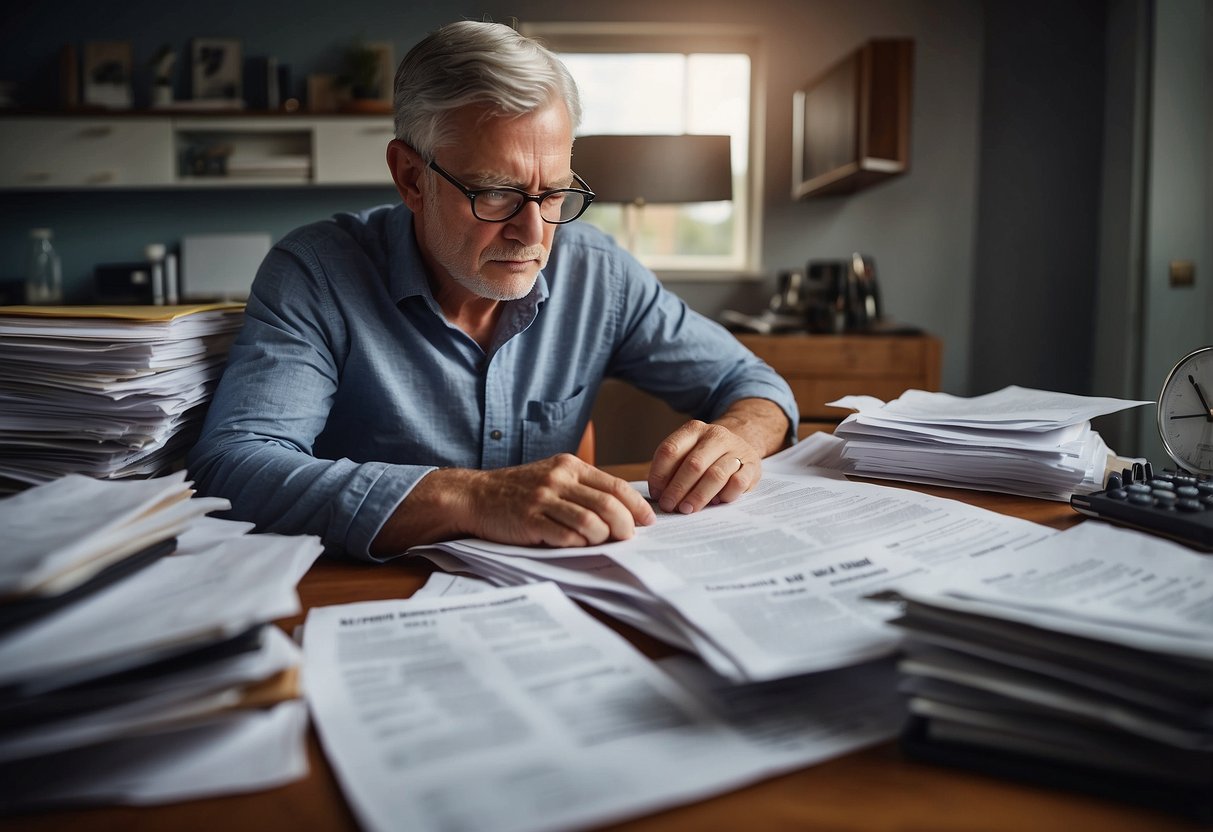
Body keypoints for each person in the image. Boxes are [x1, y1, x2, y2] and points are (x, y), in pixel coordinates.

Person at [188, 20, 797, 561]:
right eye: (496, 192)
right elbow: (236, 467)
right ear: (410, 176)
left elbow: (754, 386)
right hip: (372, 595)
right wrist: (471, 499)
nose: (534, 232)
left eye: (554, 192)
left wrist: (739, 439)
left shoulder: (599, 272)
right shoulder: (316, 272)